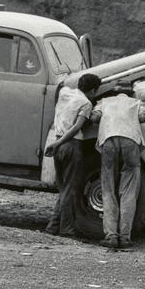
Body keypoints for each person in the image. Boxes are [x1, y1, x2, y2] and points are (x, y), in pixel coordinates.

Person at [90, 83, 145, 249]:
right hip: (130, 142)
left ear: (115, 92)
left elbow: (94, 117)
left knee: (108, 188)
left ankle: (110, 236)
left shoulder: (104, 101)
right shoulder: (136, 103)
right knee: (129, 190)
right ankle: (124, 237)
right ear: (130, 93)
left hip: (108, 140)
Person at [43, 73, 100, 237]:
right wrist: (59, 143)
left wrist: (56, 143)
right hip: (71, 145)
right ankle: (66, 229)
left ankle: (52, 226)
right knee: (70, 189)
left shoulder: (65, 93)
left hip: (58, 144)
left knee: (63, 188)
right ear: (92, 90)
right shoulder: (86, 103)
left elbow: (62, 82)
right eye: (95, 91)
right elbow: (76, 128)